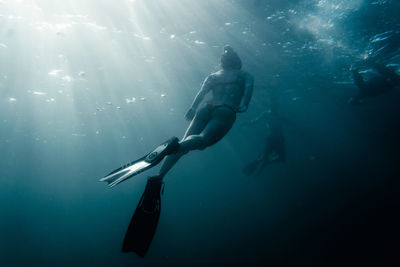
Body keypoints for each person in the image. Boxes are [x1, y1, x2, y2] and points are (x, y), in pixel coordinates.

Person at [101, 45, 254, 257]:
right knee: (201, 142)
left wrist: (192, 108)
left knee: (184, 144)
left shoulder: (214, 75)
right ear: (237, 60)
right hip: (226, 110)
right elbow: (247, 94)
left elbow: (201, 93)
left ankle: (158, 176)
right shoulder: (245, 75)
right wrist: (244, 105)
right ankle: (173, 149)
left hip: (206, 107)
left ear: (222, 62)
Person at [242, 91, 286, 176]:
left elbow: (288, 122)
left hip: (280, 139)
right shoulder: (266, 114)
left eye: (276, 104)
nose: (275, 105)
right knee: (267, 158)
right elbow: (254, 121)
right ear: (271, 104)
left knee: (281, 159)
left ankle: (264, 161)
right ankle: (259, 169)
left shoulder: (279, 115)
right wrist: (246, 123)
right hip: (272, 139)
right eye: (273, 103)